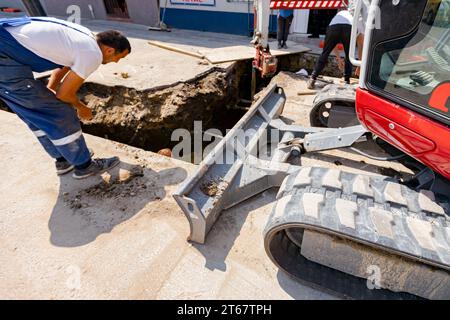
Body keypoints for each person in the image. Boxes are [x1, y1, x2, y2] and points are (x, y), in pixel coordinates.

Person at [0, 16, 131, 179]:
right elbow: (65, 95)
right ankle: (84, 166)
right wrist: (82, 108)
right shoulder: (93, 54)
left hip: (6, 51)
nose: (117, 62)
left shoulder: (85, 38)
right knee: (62, 114)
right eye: (120, 57)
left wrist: (51, 88)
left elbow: (64, 64)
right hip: (4, 57)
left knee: (39, 114)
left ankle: (64, 159)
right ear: (110, 50)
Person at [307, 9, 354, 89]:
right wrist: (339, 59)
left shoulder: (337, 17)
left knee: (325, 53)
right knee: (349, 54)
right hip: (348, 27)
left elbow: (332, 45)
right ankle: (347, 81)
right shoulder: (353, 17)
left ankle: (312, 78)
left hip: (333, 27)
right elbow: (360, 41)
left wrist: (339, 59)